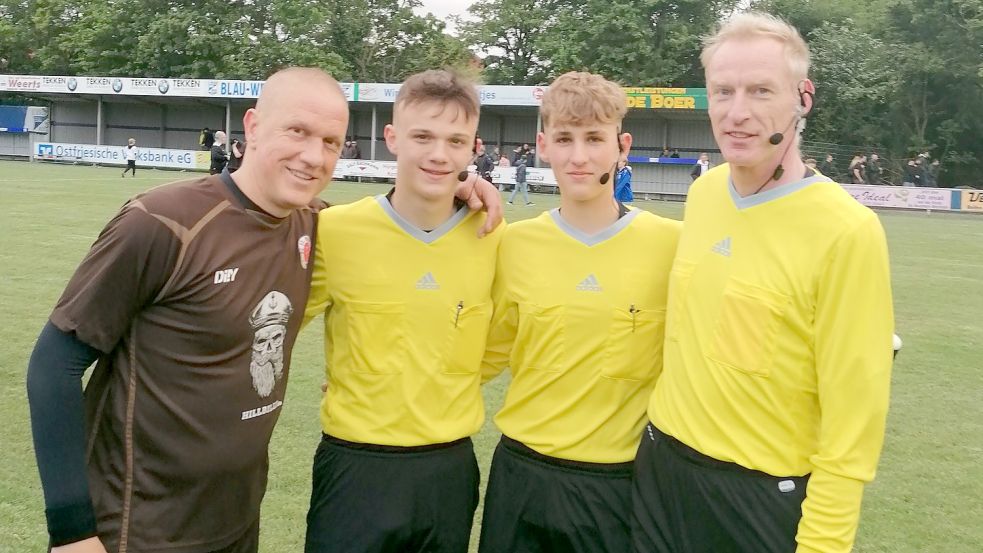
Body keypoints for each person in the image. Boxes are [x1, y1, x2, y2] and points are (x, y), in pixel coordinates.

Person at [26, 67, 348, 553]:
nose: (313, 155)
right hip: (137, 527)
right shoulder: (162, 222)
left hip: (236, 523)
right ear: (254, 127)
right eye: (297, 131)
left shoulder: (318, 224)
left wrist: (458, 191)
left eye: (331, 142)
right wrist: (72, 531)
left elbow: (396, 224)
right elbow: (54, 366)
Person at [632, 13, 894, 553]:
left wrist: (823, 543)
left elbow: (853, 425)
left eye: (760, 91)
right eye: (722, 91)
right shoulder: (705, 194)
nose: (737, 113)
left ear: (803, 97)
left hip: (756, 501)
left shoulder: (847, 231)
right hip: (659, 471)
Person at [303, 69, 504, 553]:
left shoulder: (495, 239)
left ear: (473, 148)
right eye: (423, 137)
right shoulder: (335, 230)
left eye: (456, 140)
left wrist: (426, 376)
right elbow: (279, 320)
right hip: (355, 465)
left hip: (448, 470)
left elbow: (501, 342)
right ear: (392, 138)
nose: (439, 154)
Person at [479, 71, 680, 553]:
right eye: (565, 139)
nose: (579, 156)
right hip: (521, 478)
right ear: (543, 144)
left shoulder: (672, 245)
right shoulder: (514, 244)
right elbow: (482, 353)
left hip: (621, 484)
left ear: (621, 145)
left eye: (595, 138)